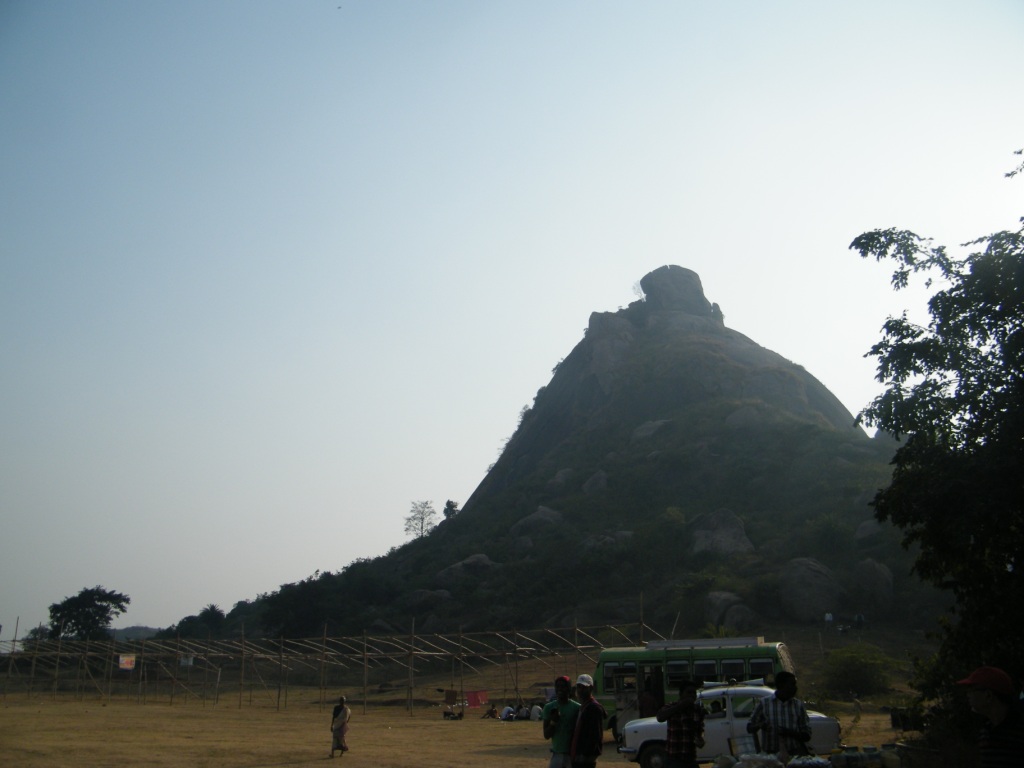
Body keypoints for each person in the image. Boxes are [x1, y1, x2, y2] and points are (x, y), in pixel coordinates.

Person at [956, 665, 1024, 767]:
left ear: (988, 695)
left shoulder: (1019, 730)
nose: (967, 695)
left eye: (971, 689)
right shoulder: (985, 733)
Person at [747, 671, 810, 759]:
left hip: (793, 756)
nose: (795, 688)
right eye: (792, 684)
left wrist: (790, 733)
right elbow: (749, 728)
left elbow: (807, 735)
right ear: (781, 685)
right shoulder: (764, 703)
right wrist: (760, 725)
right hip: (770, 757)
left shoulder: (798, 706)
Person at [655, 679, 706, 768]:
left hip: (690, 758)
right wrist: (680, 706)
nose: (691, 695)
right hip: (673, 759)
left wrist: (700, 740)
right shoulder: (671, 707)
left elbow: (699, 731)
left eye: (694, 693)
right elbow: (660, 717)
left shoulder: (698, 710)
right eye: (689, 693)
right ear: (681, 694)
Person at [542, 675, 581, 768]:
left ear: (569, 689)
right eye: (557, 686)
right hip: (557, 755)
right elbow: (546, 735)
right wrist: (553, 722)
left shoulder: (577, 708)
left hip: (572, 755)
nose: (560, 689)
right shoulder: (549, 707)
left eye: (563, 686)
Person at [570, 673, 607, 768]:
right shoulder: (583, 707)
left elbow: (595, 735)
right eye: (579, 687)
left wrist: (585, 754)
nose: (581, 690)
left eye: (584, 687)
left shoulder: (594, 708)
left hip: (585, 756)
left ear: (591, 689)